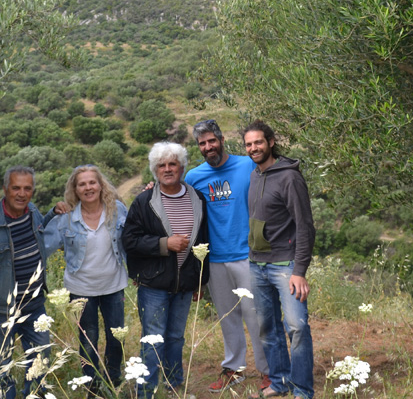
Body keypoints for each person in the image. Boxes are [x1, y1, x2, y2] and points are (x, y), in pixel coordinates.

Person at [184, 119, 270, 392]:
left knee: (256, 316)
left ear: (221, 140)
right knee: (227, 317)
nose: (208, 146)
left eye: (211, 140)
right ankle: (234, 369)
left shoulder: (248, 165)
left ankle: (269, 371)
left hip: (248, 255)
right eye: (202, 143)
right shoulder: (194, 177)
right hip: (215, 258)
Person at [123, 142, 210, 399]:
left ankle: (174, 389)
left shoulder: (198, 198)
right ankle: (146, 393)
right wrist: (164, 244)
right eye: (162, 165)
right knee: (152, 339)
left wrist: (200, 282)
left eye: (173, 164)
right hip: (154, 286)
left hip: (184, 285)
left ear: (182, 167)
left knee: (175, 339)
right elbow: (130, 241)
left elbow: (204, 240)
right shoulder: (143, 201)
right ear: (155, 170)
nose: (168, 169)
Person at [242, 121, 316, 399]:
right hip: (256, 265)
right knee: (267, 329)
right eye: (249, 144)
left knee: (296, 327)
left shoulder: (289, 178)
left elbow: (305, 226)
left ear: (271, 142)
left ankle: (302, 390)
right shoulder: (254, 176)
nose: (253, 148)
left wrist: (300, 270)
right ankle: (280, 382)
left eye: (258, 142)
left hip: (285, 267)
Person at [0, 166, 53, 399]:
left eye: (27, 188)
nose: (21, 194)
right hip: (0, 313)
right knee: (1, 371)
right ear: (5, 189)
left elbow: (42, 234)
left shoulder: (33, 212)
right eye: (16, 188)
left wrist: (54, 212)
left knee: (41, 364)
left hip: (35, 308)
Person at [44, 165, 128, 397]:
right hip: (81, 289)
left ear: (101, 185)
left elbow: (132, 239)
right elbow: (42, 243)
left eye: (92, 182)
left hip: (114, 285)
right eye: (82, 184)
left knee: (116, 337)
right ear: (75, 189)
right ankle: (92, 386)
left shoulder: (118, 210)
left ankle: (113, 382)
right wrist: (51, 213)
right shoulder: (67, 218)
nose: (88, 187)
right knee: (88, 339)